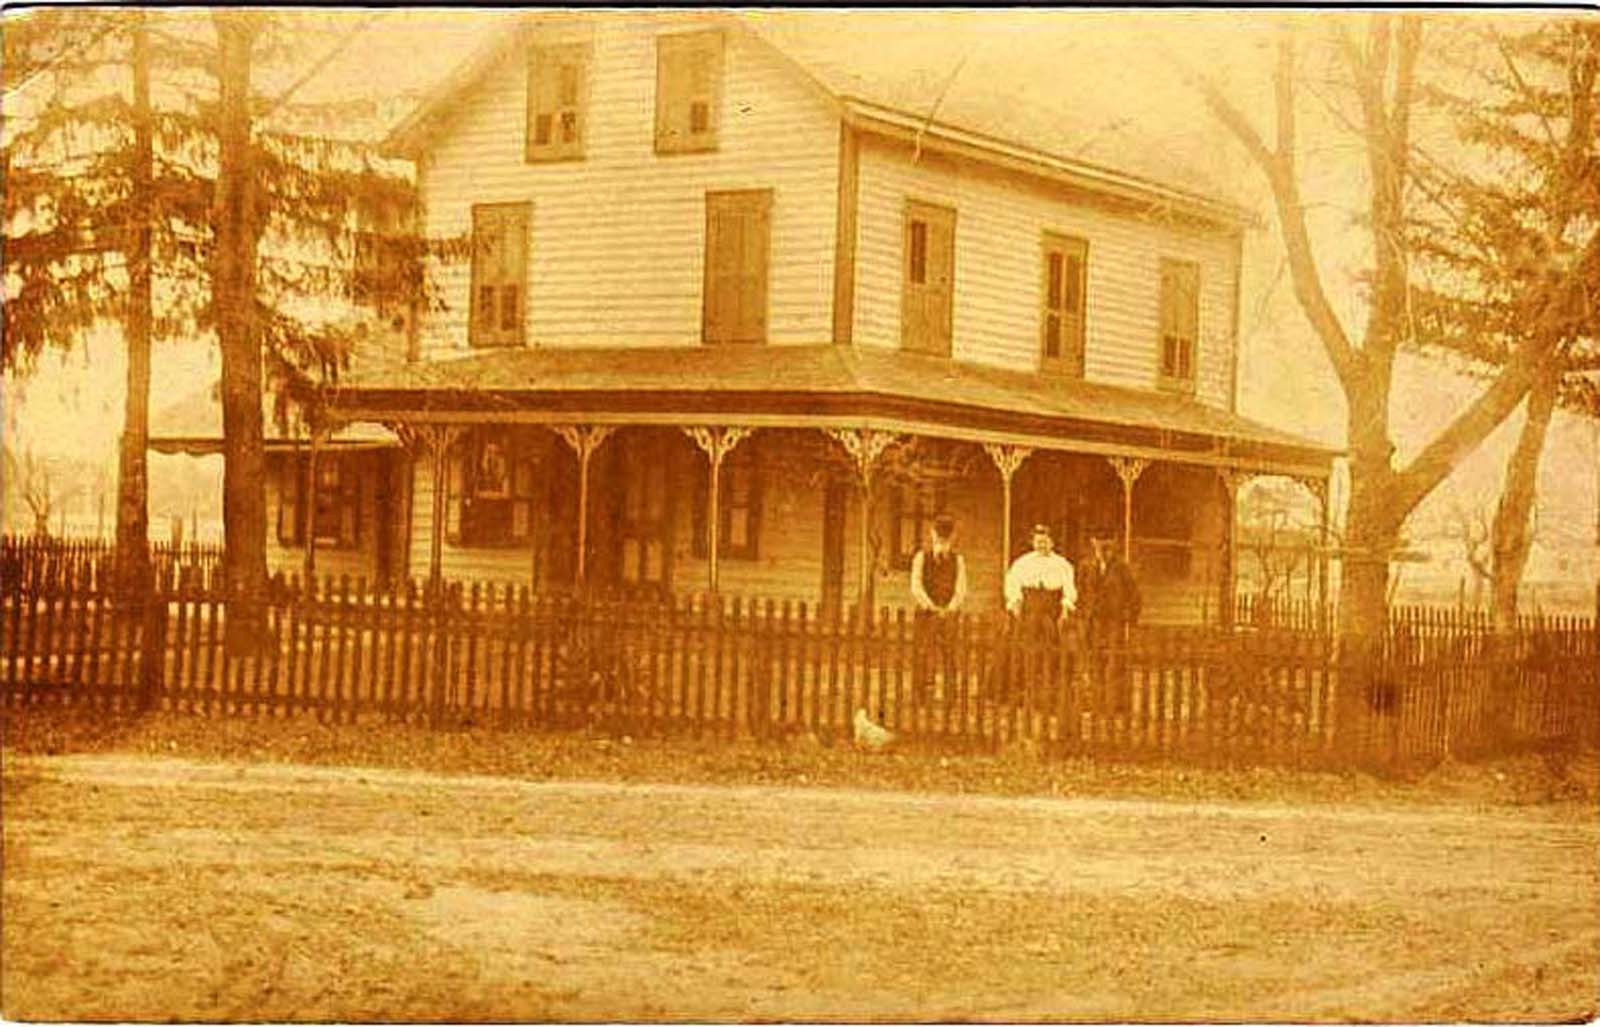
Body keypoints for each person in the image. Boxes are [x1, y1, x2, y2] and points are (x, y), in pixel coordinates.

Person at [1000, 524, 1077, 705]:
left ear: (1052, 542)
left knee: (1052, 652)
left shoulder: (1062, 564)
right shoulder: (1022, 563)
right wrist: (1015, 603)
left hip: (1051, 613)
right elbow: (1012, 585)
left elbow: (1069, 590)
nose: (1042, 545)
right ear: (1032, 542)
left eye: (1045, 541)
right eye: (1038, 541)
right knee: (1019, 649)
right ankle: (1017, 693)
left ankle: (1048, 694)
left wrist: (1065, 609)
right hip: (1027, 612)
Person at [1078, 535, 1141, 713]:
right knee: (1094, 662)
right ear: (1093, 545)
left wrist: (1129, 617)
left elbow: (1134, 595)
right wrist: (1084, 614)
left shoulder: (1122, 568)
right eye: (1098, 546)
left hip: (1114, 622)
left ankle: (1113, 705)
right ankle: (1098, 705)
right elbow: (1081, 592)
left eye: (1106, 547)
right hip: (1094, 622)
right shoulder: (1086, 567)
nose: (1102, 551)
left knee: (1114, 662)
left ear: (1112, 547)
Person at [909, 514, 967, 701]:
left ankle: (950, 696)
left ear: (953, 538)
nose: (942, 540)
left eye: (947, 536)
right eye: (939, 535)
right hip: (926, 613)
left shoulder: (958, 560)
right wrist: (930, 607)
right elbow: (916, 585)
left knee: (949, 653)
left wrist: (950, 608)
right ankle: (920, 694)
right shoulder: (921, 557)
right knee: (923, 651)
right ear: (932, 534)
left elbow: (961, 588)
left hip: (949, 613)